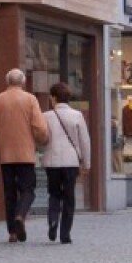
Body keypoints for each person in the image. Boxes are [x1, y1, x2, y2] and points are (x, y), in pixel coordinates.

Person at [0, 68, 49, 243]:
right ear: (22, 82)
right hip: (25, 154)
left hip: (5, 156)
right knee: (28, 190)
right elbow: (39, 127)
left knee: (9, 193)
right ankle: (20, 215)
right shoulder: (30, 99)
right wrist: (43, 139)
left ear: (7, 82)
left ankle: (12, 232)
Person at [41, 82, 91, 244]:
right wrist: (87, 163)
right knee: (69, 197)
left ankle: (53, 219)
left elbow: (41, 138)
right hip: (71, 162)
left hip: (52, 161)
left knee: (54, 193)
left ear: (54, 98)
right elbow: (85, 141)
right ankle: (65, 234)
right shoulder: (77, 115)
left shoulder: (46, 116)